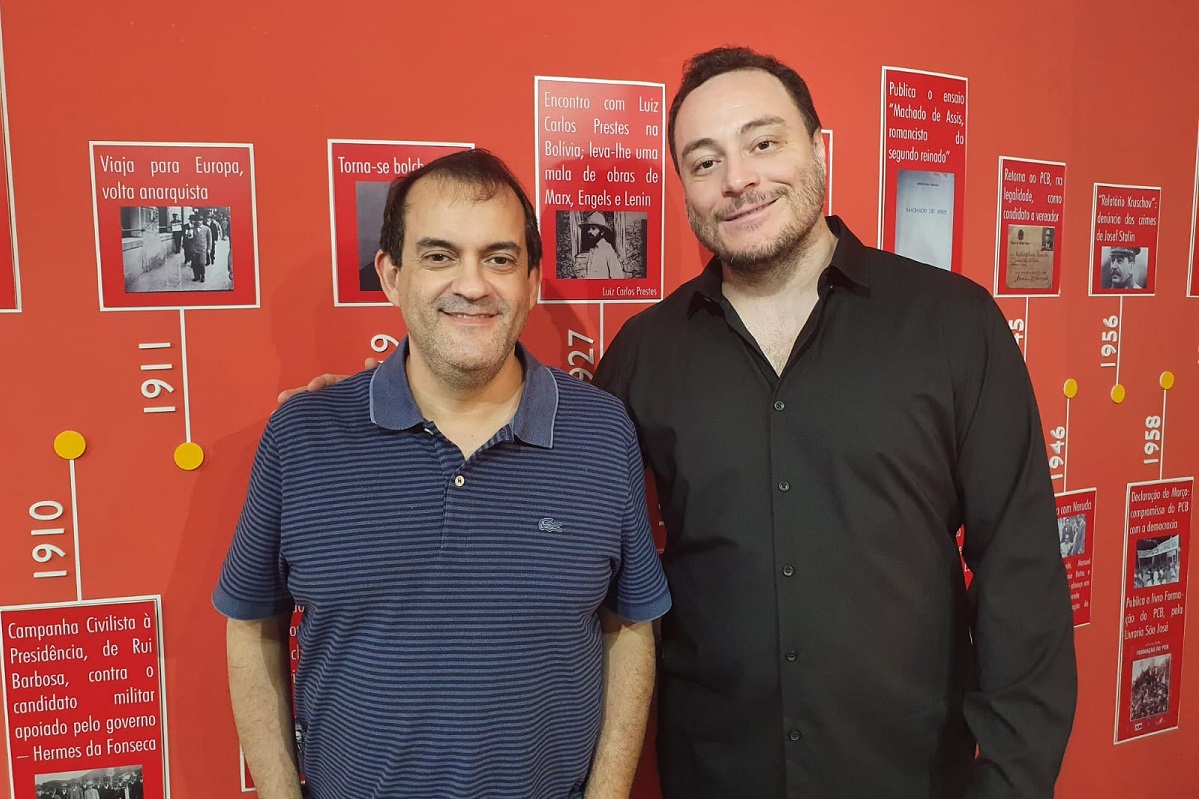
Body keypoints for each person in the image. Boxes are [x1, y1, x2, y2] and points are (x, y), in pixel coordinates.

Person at [287, 47, 1076, 799]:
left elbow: (1021, 572)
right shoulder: (645, 353)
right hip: (712, 771)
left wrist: (1008, 780)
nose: (738, 179)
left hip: (910, 770)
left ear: (819, 149)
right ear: (685, 189)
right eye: (704, 162)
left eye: (762, 142)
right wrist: (382, 398)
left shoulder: (951, 324)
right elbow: (531, 450)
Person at [215, 148, 670, 799]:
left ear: (533, 280)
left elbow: (628, 626)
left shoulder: (601, 432)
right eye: (438, 256)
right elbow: (252, 627)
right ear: (390, 274)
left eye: (499, 257)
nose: (472, 283)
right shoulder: (302, 436)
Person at [574, 212, 625, 279]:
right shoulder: (592, 249)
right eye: (589, 229)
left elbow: (618, 277)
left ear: (602, 232)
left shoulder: (607, 249)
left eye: (593, 228)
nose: (589, 231)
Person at [184, 214, 211, 282]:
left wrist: (209, 249)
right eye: (197, 220)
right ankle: (196, 276)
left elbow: (209, 239)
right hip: (194, 249)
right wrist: (188, 235)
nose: (199, 222)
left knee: (202, 263)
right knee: (194, 263)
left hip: (202, 249)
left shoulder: (207, 229)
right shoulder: (192, 229)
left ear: (202, 221)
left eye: (200, 220)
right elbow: (188, 239)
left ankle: (203, 276)